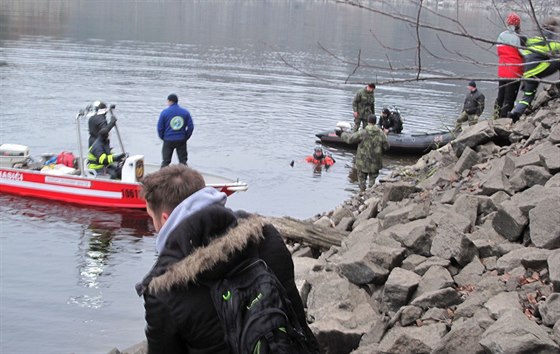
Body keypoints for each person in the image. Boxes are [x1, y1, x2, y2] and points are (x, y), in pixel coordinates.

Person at [136, 165, 320, 354]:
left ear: (165, 219)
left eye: (153, 219)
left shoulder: (162, 289)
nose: (155, 228)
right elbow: (298, 321)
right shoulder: (265, 234)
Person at [509, 17, 560, 122]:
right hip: (537, 70)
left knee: (528, 95)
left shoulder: (531, 40)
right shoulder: (549, 43)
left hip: (527, 73)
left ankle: (515, 114)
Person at [336, 114, 389, 191]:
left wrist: (341, 134)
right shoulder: (381, 134)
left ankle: (362, 193)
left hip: (362, 162)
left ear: (368, 122)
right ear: (375, 122)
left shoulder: (362, 132)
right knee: (372, 180)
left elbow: (350, 139)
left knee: (361, 179)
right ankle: (371, 192)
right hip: (375, 162)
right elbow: (387, 147)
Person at [494, 12, 526, 119]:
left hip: (502, 71)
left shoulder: (501, 36)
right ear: (518, 24)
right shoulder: (521, 38)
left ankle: (495, 117)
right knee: (509, 99)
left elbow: (499, 53)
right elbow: (526, 55)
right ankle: (503, 121)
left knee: (500, 96)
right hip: (514, 72)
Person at [157, 94, 194, 168]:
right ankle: (185, 178)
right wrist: (186, 137)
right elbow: (191, 127)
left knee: (166, 161)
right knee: (183, 161)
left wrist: (163, 137)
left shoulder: (164, 112)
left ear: (170, 101)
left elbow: (160, 128)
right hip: (181, 140)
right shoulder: (185, 112)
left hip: (168, 140)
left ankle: (163, 178)